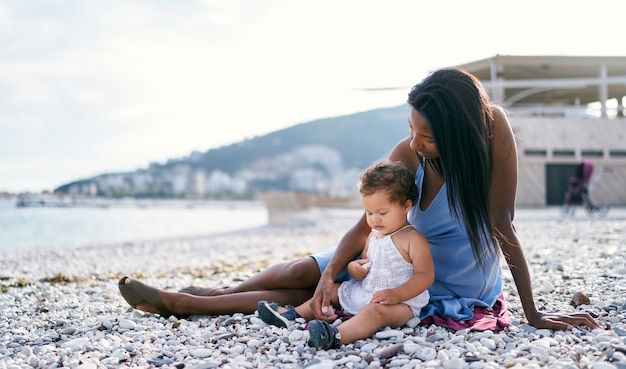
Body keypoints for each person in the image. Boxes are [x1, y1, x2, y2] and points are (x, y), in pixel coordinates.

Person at [118, 68, 600, 331]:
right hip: (391, 250)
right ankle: (212, 294)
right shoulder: (409, 155)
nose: (414, 143)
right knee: (301, 276)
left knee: (302, 297)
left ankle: (184, 303)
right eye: (410, 128)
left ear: (457, 131)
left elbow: (503, 227)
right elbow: (367, 223)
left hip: (447, 276)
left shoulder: (494, 137)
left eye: (426, 136)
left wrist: (534, 313)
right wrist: (330, 274)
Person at [256, 160, 433, 349]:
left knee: (374, 312)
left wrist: (398, 294)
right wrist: (353, 268)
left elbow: (425, 275)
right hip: (366, 292)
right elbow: (365, 260)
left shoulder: (413, 239)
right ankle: (293, 316)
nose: (374, 219)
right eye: (369, 213)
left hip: (401, 304)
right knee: (332, 291)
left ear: (406, 206)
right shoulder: (374, 236)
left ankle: (336, 335)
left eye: (382, 212)